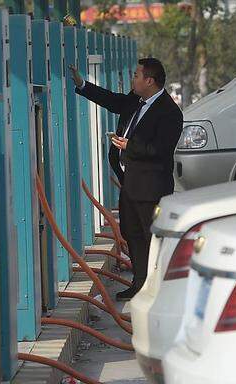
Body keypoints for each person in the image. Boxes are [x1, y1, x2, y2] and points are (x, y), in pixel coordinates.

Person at [69, 58, 183, 301]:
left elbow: (160, 150)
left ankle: (159, 287)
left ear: (149, 81)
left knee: (152, 237)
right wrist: (82, 85)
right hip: (130, 183)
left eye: (136, 75)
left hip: (151, 188)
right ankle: (140, 283)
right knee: (132, 233)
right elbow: (113, 100)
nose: (133, 79)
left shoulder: (169, 112)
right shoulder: (135, 101)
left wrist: (131, 146)